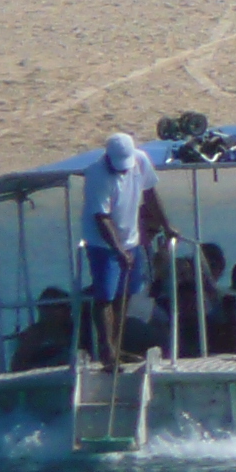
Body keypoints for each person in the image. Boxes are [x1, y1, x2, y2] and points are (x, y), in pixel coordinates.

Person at [81, 132, 171, 368]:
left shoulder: (140, 161)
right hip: (103, 244)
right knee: (105, 298)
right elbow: (102, 218)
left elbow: (151, 194)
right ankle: (106, 352)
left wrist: (166, 225)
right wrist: (118, 250)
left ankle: (117, 347)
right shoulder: (96, 174)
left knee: (126, 294)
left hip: (131, 240)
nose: (123, 170)